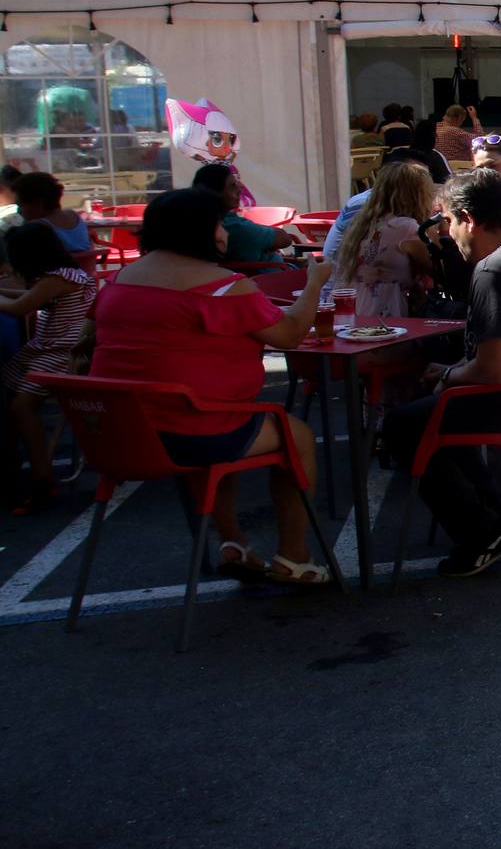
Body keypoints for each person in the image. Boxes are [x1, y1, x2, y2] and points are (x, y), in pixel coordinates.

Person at [91, 187, 335, 583]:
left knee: (230, 420)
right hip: (192, 430)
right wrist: (314, 283)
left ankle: (232, 542)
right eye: (221, 222)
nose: (226, 230)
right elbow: (289, 335)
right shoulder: (222, 284)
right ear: (201, 229)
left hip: (121, 433)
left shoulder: (121, 279)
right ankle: (294, 556)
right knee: (299, 438)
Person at [380, 169, 501, 577]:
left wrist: (446, 376)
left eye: (448, 222)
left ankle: (484, 530)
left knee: (401, 426)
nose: (448, 235)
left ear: (468, 219)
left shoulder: (496, 269)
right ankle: (493, 516)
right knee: (429, 412)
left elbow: (493, 369)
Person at [0, 221, 97, 513]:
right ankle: (19, 463)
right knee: (9, 395)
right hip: (50, 349)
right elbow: (27, 298)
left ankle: (42, 476)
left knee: (21, 406)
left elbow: (21, 307)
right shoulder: (64, 275)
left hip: (61, 353)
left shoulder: (60, 278)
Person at [335, 161, 435, 320]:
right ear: (418, 195)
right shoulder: (405, 227)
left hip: (353, 308)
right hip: (385, 313)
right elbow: (437, 269)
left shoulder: (363, 223)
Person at [193, 163, 295, 268]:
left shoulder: (192, 220)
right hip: (271, 279)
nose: (240, 190)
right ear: (215, 192)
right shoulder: (234, 227)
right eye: (232, 186)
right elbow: (285, 239)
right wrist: (265, 242)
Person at [11, 173, 94, 271]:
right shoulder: (74, 216)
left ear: (37, 203)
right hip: (86, 278)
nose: (18, 211)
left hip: (51, 281)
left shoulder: (37, 228)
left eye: (20, 204)